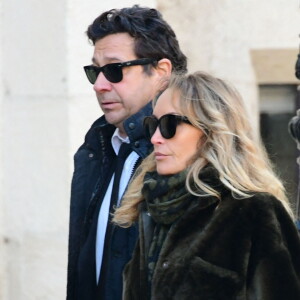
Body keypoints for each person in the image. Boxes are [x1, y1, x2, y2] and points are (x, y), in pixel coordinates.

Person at [113, 71, 300, 300]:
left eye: (169, 124)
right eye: (152, 125)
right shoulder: (153, 210)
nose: (155, 138)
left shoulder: (254, 211)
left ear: (211, 130)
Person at [66, 5, 187, 300]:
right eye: (95, 71)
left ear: (161, 71)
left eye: (114, 69)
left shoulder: (184, 151)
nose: (99, 85)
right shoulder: (96, 149)